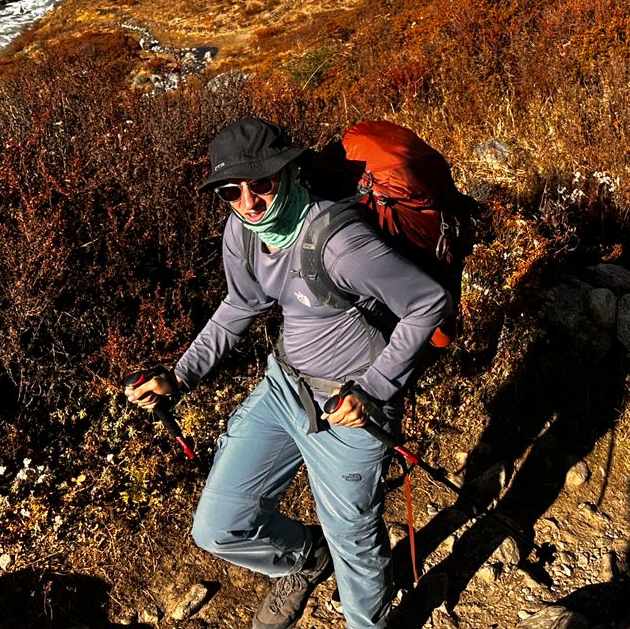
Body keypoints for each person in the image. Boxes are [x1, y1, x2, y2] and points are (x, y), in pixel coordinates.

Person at [125, 117, 450, 629]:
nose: (250, 201)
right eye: (232, 191)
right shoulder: (246, 233)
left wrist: (374, 388)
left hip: (350, 410)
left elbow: (429, 303)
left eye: (262, 184)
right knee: (218, 527)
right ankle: (307, 558)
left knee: (356, 544)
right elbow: (241, 304)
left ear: (291, 173)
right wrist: (180, 376)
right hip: (284, 388)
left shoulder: (341, 245)